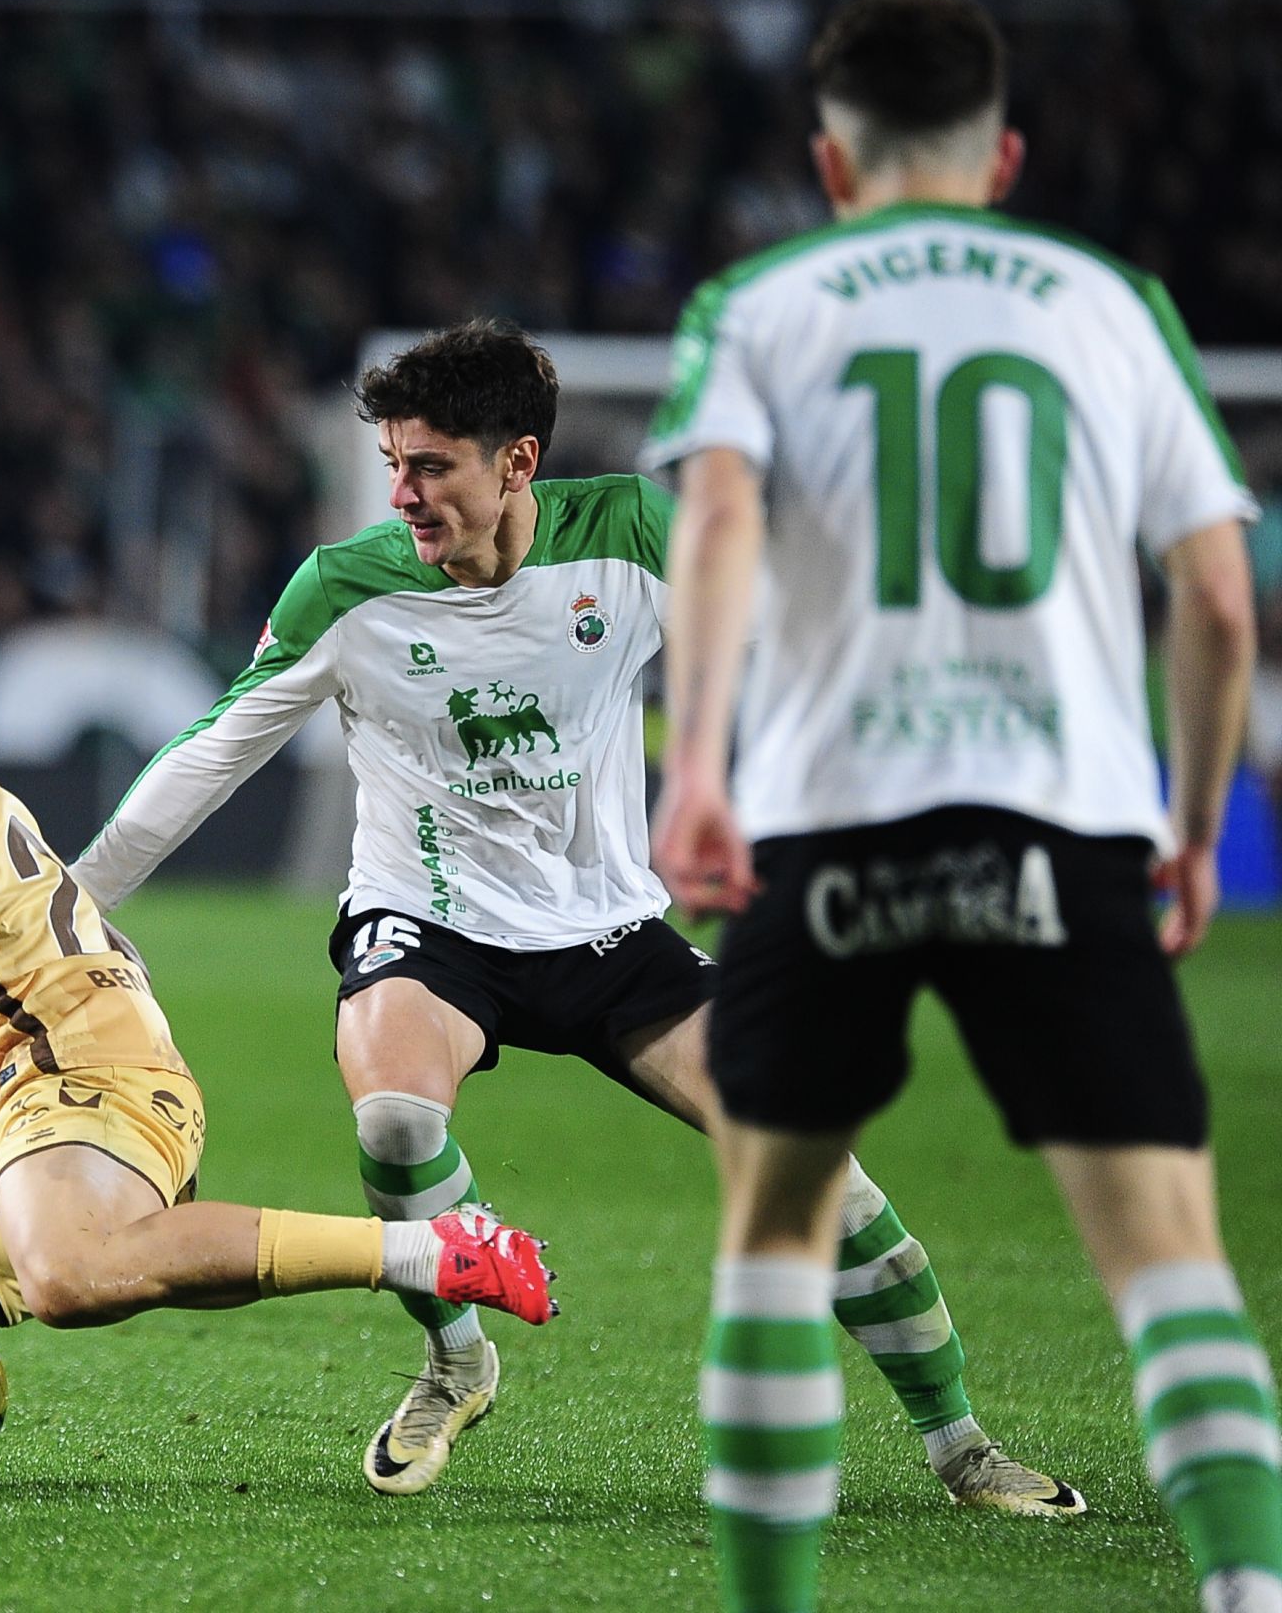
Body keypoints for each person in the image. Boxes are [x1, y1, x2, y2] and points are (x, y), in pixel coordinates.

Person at [71, 318, 1078, 1515]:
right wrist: (68, 906)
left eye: (430, 465)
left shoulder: (633, 539)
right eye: (393, 462)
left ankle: (962, 1445)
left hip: (610, 933)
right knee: (395, 1117)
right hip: (428, 921)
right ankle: (456, 1358)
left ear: (518, 462)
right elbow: (209, 753)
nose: (402, 493)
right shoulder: (347, 589)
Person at [647, 0, 1281, 1613]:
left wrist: (698, 763)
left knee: (776, 1236)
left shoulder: (760, 298)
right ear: (999, 156)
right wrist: (1196, 824)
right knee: (1169, 1257)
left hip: (831, 822)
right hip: (1059, 822)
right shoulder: (1107, 298)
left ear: (832, 163)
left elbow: (716, 521)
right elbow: (1217, 600)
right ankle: (1248, 1593)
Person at [0, 570, 554, 1509]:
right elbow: (40, 947)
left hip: (80, 1084)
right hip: (45, 1101)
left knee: (69, 1275)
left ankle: (427, 1249)